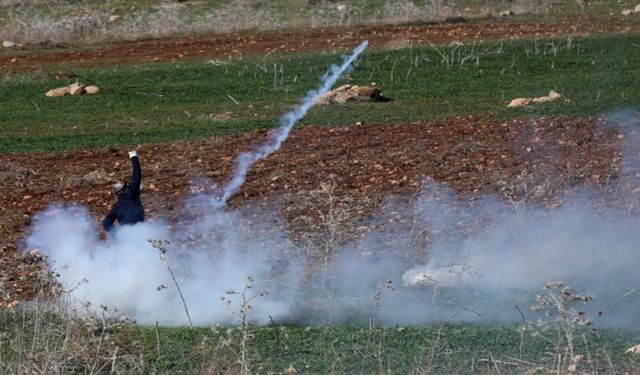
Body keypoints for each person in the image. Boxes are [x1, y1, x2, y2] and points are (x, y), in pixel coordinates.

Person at [103, 150, 144, 233]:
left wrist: (117, 236)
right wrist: (133, 156)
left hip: (126, 237)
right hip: (138, 235)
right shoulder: (132, 194)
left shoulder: (117, 206)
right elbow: (137, 175)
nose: (130, 185)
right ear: (123, 191)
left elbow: (106, 223)